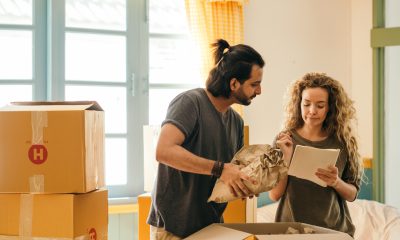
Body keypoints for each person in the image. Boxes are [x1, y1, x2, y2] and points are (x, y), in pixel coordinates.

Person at [147, 39, 270, 239]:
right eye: (254, 84)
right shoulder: (190, 103)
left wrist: (246, 183)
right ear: (234, 83)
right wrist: (221, 169)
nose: (259, 91)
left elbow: (230, 173)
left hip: (211, 227)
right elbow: (164, 151)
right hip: (173, 229)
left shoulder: (236, 122)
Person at [269, 72, 364, 237]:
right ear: (299, 103)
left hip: (333, 232)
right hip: (292, 231)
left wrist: (336, 182)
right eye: (306, 104)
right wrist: (285, 158)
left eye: (320, 105)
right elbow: (274, 195)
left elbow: (352, 194)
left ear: (330, 107)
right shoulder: (284, 140)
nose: (312, 111)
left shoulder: (343, 142)